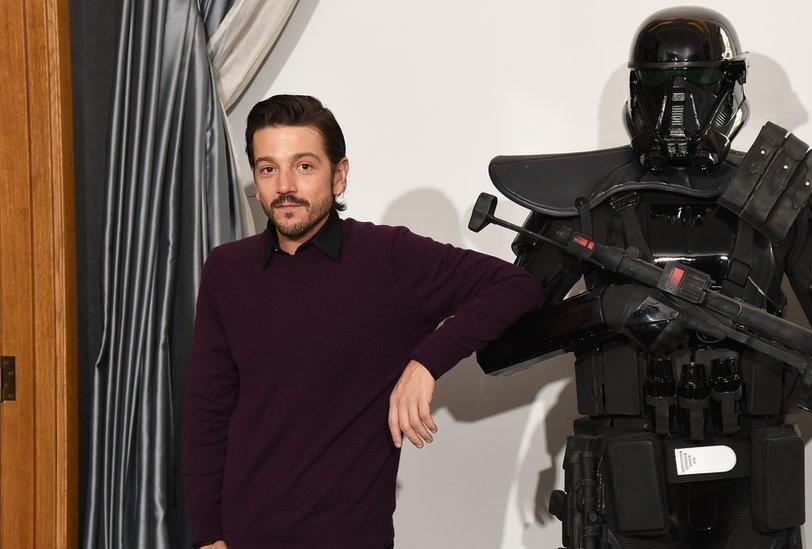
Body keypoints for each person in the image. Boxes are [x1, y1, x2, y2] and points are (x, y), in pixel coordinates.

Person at [475, 7, 812, 548]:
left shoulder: (786, 197)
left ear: (730, 85)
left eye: (695, 84)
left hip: (755, 489)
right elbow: (500, 344)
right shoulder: (580, 201)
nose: (676, 106)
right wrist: (608, 310)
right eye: (658, 83)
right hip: (623, 485)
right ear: (635, 86)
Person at [181, 94, 543, 549]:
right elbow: (207, 412)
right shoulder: (227, 270)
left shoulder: (388, 258)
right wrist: (206, 536)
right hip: (240, 537)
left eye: (304, 166)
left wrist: (426, 363)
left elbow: (516, 286)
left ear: (339, 175)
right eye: (268, 168)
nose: (285, 185)